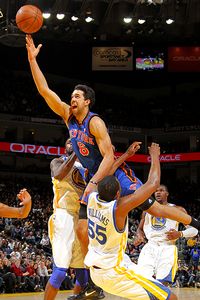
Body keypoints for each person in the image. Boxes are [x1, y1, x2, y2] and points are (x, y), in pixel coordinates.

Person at [84, 143, 177, 300]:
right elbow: (153, 183)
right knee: (169, 297)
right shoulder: (117, 208)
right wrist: (155, 155)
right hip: (112, 272)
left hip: (96, 271)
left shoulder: (90, 196)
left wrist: (126, 155)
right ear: (118, 194)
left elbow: (106, 174)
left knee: (151, 290)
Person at [44, 139, 104, 300]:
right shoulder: (57, 161)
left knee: (83, 269)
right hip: (64, 215)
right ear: (65, 147)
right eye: (70, 142)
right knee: (60, 270)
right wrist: (77, 152)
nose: (73, 144)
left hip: (83, 217)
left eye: (75, 143)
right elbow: (58, 174)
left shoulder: (87, 168)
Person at [134, 184, 198, 286]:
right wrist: (139, 235)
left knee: (163, 283)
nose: (158, 192)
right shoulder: (146, 211)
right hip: (150, 246)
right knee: (143, 281)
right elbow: (139, 229)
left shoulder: (178, 209)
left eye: (161, 190)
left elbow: (194, 230)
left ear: (167, 194)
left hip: (167, 247)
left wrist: (180, 233)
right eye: (156, 191)